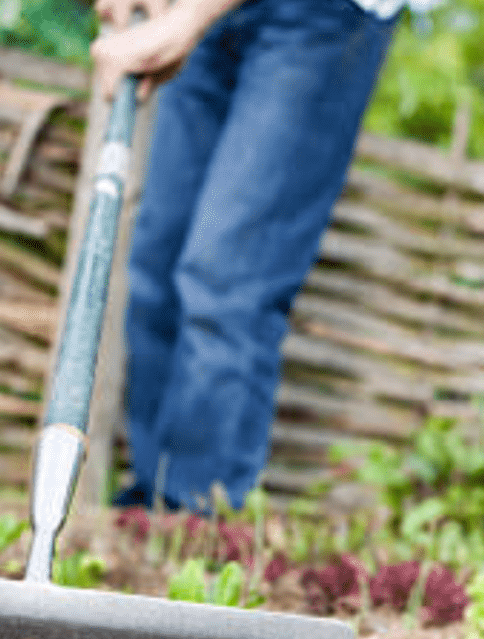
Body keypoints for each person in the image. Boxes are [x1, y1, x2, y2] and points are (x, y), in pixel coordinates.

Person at [90, 0, 401, 511]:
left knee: (226, 280)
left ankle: (193, 519)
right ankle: (148, 502)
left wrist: (186, 19)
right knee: (156, 265)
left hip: (322, 15)